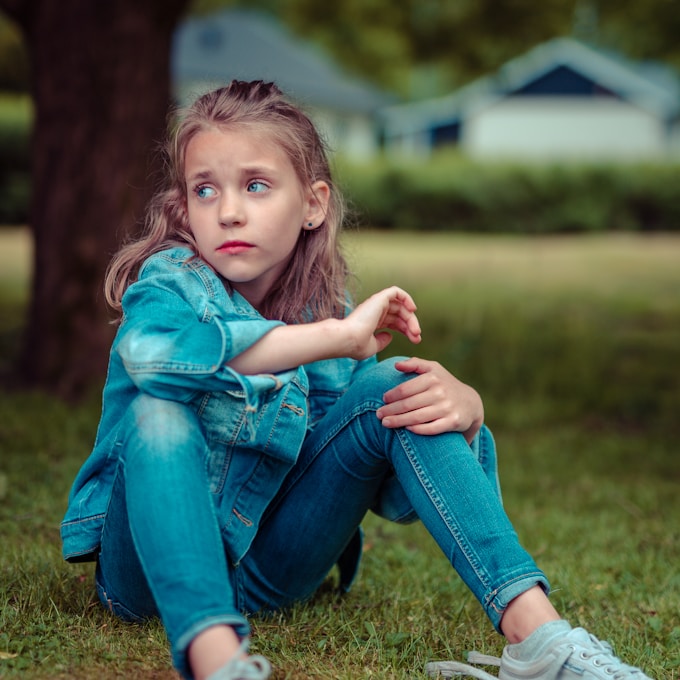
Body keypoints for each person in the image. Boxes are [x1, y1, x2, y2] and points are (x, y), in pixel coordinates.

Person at [61, 80, 653, 680]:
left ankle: (542, 641)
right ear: (184, 208)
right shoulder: (170, 284)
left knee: (399, 383)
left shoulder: (326, 306)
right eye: (204, 189)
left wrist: (468, 411)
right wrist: (339, 338)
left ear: (313, 204)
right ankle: (219, 661)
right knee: (157, 410)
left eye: (256, 185)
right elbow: (154, 361)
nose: (229, 210)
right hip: (145, 579)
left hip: (271, 570)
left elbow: (394, 494)